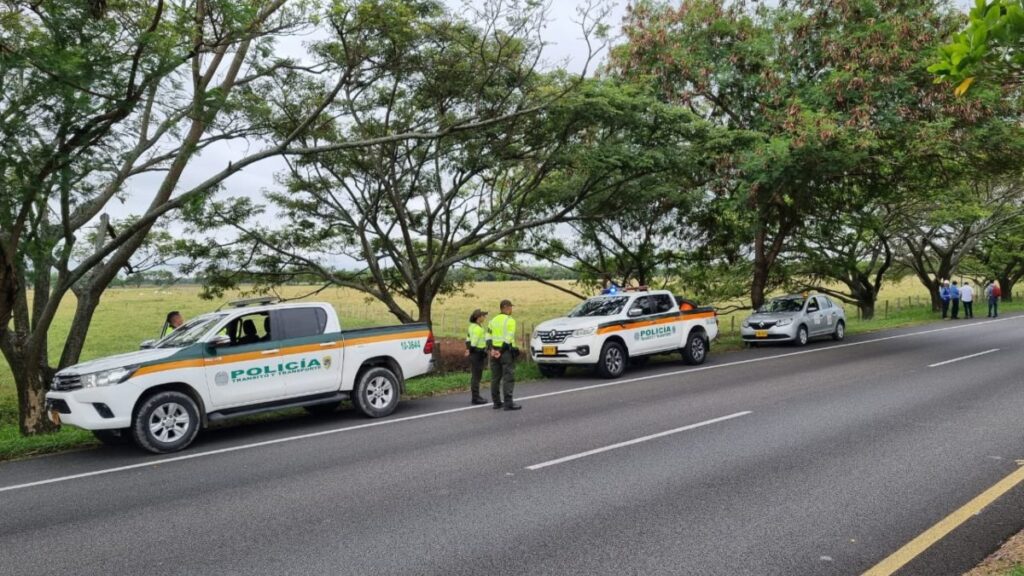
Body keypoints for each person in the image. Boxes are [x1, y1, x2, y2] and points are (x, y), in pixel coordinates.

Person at [487, 299, 521, 411]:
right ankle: (508, 403)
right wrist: (500, 351)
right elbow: (508, 339)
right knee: (508, 377)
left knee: (495, 378)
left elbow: (488, 337)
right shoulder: (510, 320)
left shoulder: (492, 321)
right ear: (506, 307)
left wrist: (492, 350)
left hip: (493, 352)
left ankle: (496, 403)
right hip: (505, 353)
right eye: (511, 307)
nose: (511, 309)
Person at [464, 309, 489, 405]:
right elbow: (473, 343)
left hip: (474, 354)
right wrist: (470, 350)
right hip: (477, 354)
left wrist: (468, 349)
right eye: (483, 316)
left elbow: (467, 339)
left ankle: (476, 396)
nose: (484, 317)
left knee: (475, 376)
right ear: (478, 318)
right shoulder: (478, 329)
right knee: (476, 376)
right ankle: (475, 398)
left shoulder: (472, 326)